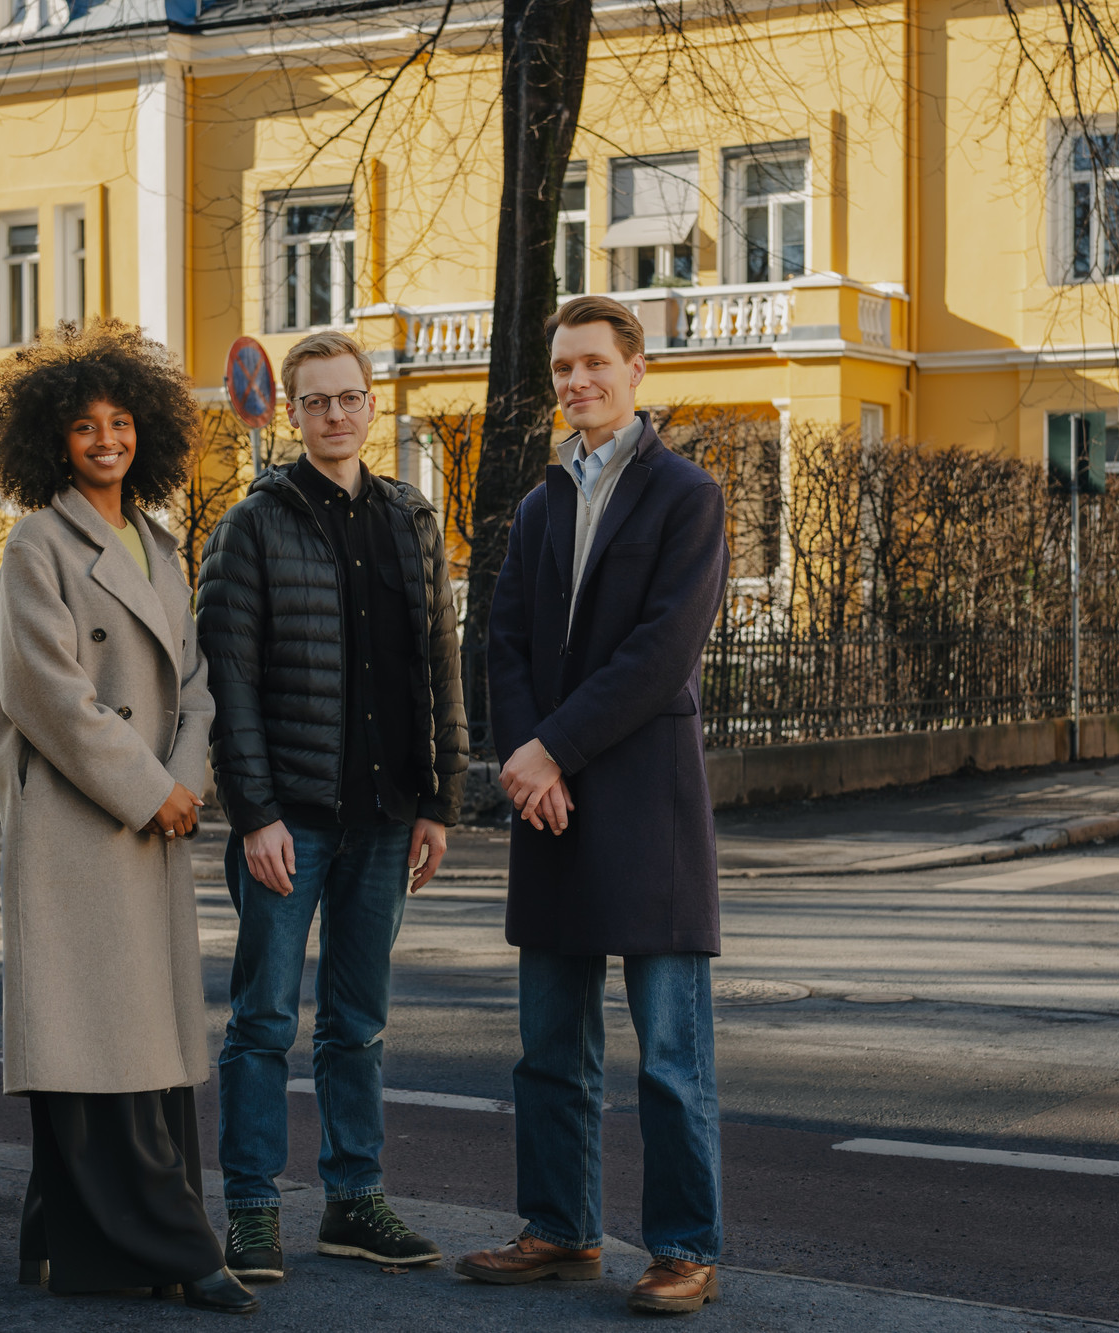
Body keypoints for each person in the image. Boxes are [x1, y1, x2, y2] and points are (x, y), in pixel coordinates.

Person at [456, 296, 729, 1315]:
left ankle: (683, 1247)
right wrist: (530, 762)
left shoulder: (683, 494)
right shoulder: (537, 506)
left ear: (635, 370)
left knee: (668, 1056)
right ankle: (560, 1230)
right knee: (549, 1049)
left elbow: (659, 655)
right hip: (551, 806)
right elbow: (506, 643)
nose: (576, 383)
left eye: (593, 365)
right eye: (563, 368)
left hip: (647, 806)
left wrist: (546, 749)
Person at [0, 319, 257, 1315]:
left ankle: (60, 1241)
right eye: (84, 425)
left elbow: (193, 681)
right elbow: (47, 693)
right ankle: (177, 1248)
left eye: (122, 420)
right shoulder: (35, 546)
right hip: (79, 827)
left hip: (147, 823)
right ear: (50, 440)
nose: (107, 439)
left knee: (132, 1044)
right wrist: (152, 789)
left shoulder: (159, 539)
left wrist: (183, 779)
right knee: (96, 1041)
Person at [198, 329, 467, 1282]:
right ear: (295, 411)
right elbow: (227, 683)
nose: (337, 415)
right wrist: (254, 811)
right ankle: (254, 1210)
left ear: (371, 403)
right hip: (292, 821)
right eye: (317, 401)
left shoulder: (412, 520)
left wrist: (440, 796)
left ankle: (354, 1202)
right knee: (264, 1020)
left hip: (390, 814)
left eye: (351, 397)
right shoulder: (253, 524)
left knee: (359, 1022)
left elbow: (440, 665)